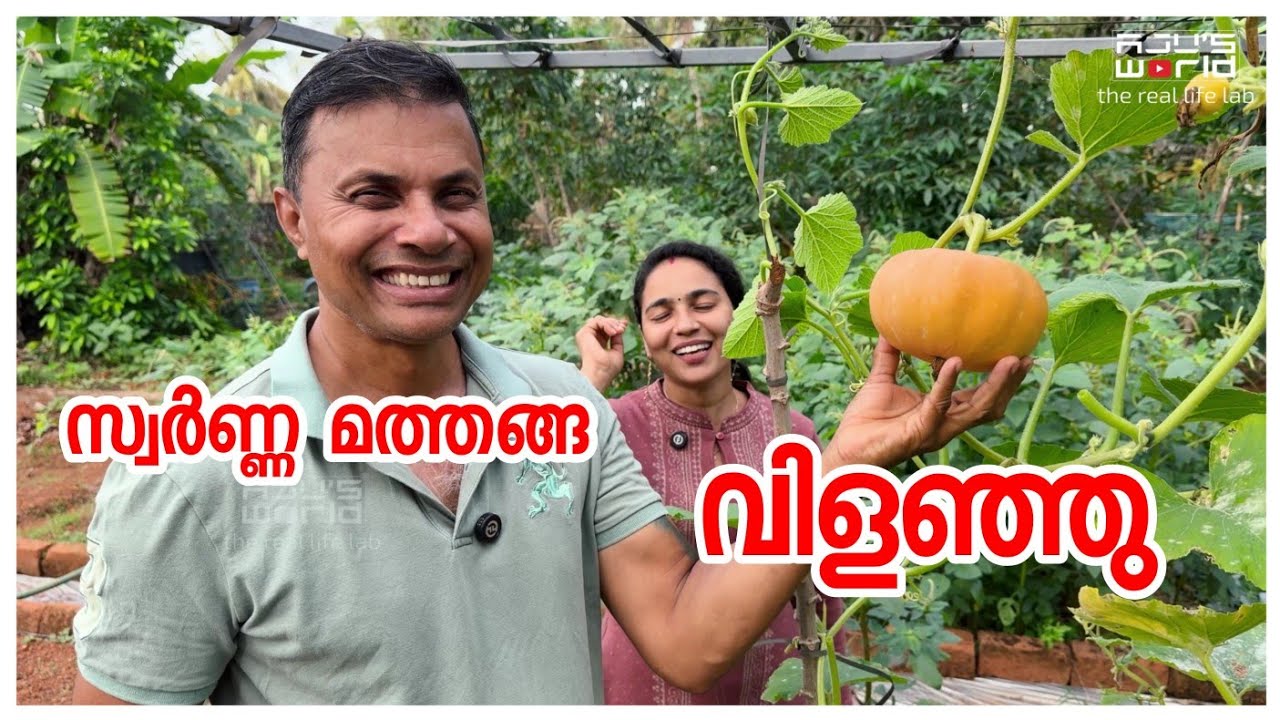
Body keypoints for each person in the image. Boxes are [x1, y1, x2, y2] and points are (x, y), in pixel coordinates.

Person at [71, 40, 1032, 705]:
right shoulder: (187, 476)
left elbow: (689, 639)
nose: (427, 229)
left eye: (457, 194)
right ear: (292, 219)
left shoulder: (563, 410)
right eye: (374, 195)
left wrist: (848, 466)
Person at [575, 241, 850, 704]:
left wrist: (834, 694)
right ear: (643, 336)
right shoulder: (610, 426)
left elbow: (823, 586)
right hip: (643, 695)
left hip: (779, 692)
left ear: (741, 313)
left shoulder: (791, 430)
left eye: (704, 305)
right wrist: (591, 379)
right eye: (661, 315)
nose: (685, 325)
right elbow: (531, 497)